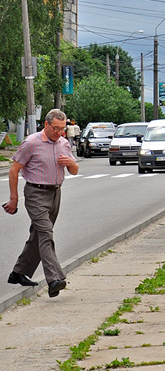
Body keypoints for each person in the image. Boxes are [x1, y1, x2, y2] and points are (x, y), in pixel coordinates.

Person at [4, 109, 78, 298]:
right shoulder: (31, 143)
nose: (59, 133)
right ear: (46, 125)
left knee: (38, 235)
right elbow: (14, 171)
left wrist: (70, 162)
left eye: (62, 129)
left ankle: (18, 273)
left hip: (55, 193)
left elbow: (75, 170)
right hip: (36, 193)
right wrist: (14, 199)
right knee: (46, 233)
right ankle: (54, 279)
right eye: (55, 128)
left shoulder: (63, 143)